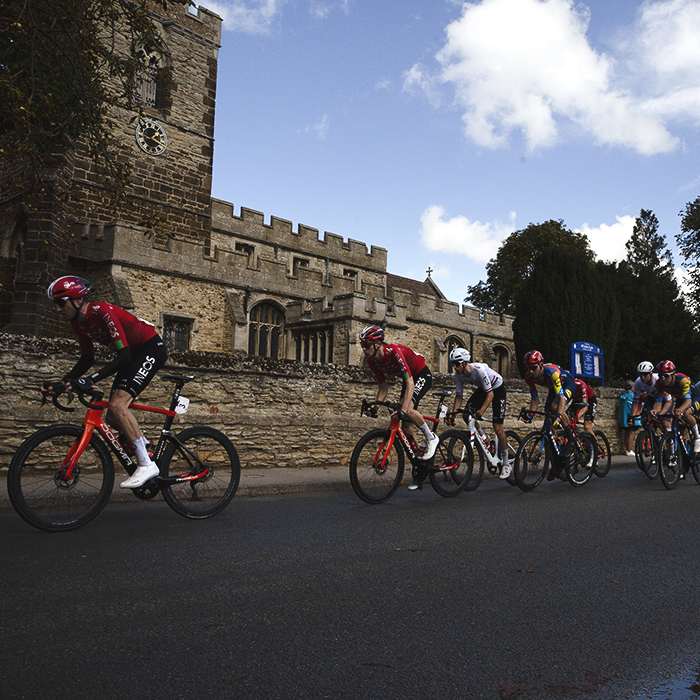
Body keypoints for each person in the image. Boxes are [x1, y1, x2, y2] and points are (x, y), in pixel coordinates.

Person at [42, 276, 168, 488]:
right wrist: (63, 384)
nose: (57, 309)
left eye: (59, 303)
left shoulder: (102, 311)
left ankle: (147, 465)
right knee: (111, 415)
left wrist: (89, 380)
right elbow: (87, 358)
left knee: (119, 405)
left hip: (149, 349)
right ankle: (146, 447)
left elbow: (124, 357)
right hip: (131, 355)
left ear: (76, 300)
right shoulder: (77, 322)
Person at [359, 325, 439, 490]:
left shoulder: (394, 352)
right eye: (362, 346)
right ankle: (421, 466)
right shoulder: (372, 361)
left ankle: (431, 437)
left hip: (421, 374)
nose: (364, 349)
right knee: (407, 427)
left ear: (377, 344)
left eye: (366, 345)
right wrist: (375, 407)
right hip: (408, 379)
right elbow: (383, 387)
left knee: (407, 409)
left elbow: (410, 382)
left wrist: (404, 408)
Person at [446, 347, 511, 480]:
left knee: (498, 428)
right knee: (466, 414)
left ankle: (505, 464)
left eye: (456, 364)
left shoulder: (478, 370)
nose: (454, 367)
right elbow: (458, 397)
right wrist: (452, 415)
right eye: (453, 364)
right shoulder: (458, 375)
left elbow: (491, 394)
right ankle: (485, 438)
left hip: (497, 389)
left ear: (464, 363)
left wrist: (481, 412)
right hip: (483, 389)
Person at [522, 350, 578, 479]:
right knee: (548, 427)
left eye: (533, 367)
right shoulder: (529, 377)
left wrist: (558, 416)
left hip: (567, 384)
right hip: (554, 388)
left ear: (541, 364)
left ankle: (571, 438)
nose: (530, 371)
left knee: (555, 407)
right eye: (528, 368)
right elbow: (535, 400)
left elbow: (562, 399)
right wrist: (530, 415)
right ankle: (556, 465)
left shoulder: (551, 373)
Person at [651, 360, 700, 452]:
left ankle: (697, 437)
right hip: (680, 398)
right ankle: (681, 449)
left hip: (694, 397)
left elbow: (688, 401)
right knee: (676, 424)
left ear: (673, 374)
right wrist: (655, 411)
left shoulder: (682, 380)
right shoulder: (659, 384)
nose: (663, 379)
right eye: (660, 376)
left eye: (666, 376)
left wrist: (681, 410)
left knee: (686, 413)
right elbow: (658, 402)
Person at [628, 360, 672, 430]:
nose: (642, 377)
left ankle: (669, 437)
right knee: (644, 420)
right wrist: (632, 417)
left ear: (651, 374)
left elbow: (668, 401)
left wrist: (659, 413)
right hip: (652, 398)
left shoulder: (659, 380)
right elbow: (636, 401)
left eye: (645, 374)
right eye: (640, 374)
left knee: (664, 422)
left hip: (664, 399)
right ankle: (653, 437)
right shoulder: (638, 382)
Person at [618, 380, 639, 457]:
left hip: (624, 418)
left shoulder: (623, 395)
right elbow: (635, 406)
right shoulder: (631, 396)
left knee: (626, 434)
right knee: (631, 433)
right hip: (630, 418)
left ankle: (627, 449)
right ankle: (629, 450)